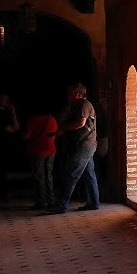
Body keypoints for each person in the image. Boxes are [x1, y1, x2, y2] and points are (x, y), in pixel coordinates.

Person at [48, 82, 99, 213]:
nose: (67, 95)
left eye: (69, 92)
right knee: (89, 176)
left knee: (71, 174)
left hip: (84, 145)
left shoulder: (83, 104)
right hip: (88, 145)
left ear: (77, 93)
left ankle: (62, 205)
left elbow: (81, 123)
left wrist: (63, 128)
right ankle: (94, 203)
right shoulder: (77, 105)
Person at [21, 105, 58, 210]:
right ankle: (51, 200)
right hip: (51, 150)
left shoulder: (33, 120)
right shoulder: (52, 119)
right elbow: (56, 132)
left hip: (37, 150)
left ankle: (41, 202)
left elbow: (26, 136)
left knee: (39, 177)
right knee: (48, 175)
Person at [0, 93, 20, 205]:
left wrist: (13, 113)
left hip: (2, 146)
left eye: (7, 99)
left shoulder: (4, 113)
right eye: (4, 99)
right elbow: (14, 128)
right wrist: (13, 113)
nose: (6, 102)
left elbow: (15, 127)